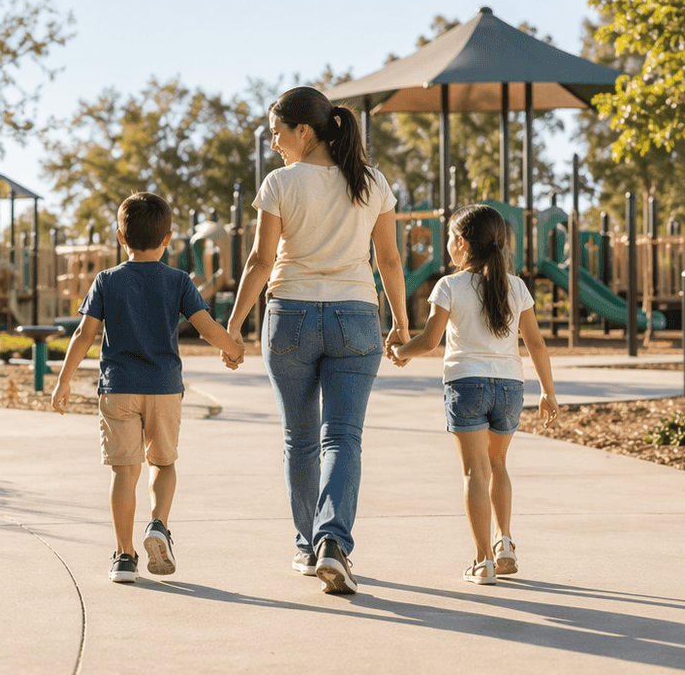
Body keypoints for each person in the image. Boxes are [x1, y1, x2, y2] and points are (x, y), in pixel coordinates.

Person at [222, 86, 409, 595]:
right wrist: (402, 323)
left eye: (279, 132)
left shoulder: (281, 182)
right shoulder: (371, 182)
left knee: (299, 440)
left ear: (304, 130)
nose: (276, 143)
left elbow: (260, 262)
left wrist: (234, 327)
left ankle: (308, 548)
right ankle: (334, 543)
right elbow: (389, 261)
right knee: (342, 437)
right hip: (357, 316)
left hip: (290, 318)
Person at [51, 191, 245, 583]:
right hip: (164, 388)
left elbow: (85, 334)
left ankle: (124, 556)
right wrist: (233, 349)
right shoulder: (178, 281)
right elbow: (207, 328)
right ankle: (158, 524)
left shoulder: (106, 280)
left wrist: (64, 381)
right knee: (164, 462)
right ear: (168, 238)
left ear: (121, 238)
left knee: (125, 471)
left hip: (118, 388)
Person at [386, 204, 559, 585]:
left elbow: (430, 341)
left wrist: (399, 351)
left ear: (461, 243)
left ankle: (483, 562)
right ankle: (506, 543)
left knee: (474, 471)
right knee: (498, 465)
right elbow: (536, 343)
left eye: (449, 236)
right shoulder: (517, 287)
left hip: (467, 385)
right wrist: (548, 392)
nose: (448, 243)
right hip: (511, 387)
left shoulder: (449, 286)